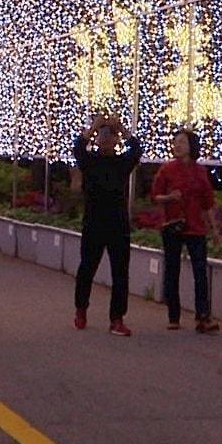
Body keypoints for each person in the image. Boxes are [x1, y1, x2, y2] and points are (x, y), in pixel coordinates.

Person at [72, 112, 143, 336]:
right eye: (102, 136)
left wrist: (119, 127)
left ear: (115, 140)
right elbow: (78, 147)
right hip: (93, 222)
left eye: (109, 136)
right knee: (87, 269)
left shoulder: (122, 163)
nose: (105, 139)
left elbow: (137, 149)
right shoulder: (89, 161)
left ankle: (117, 318)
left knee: (120, 272)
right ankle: (81, 308)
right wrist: (95, 126)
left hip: (118, 224)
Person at [150, 128, 219, 333]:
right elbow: (155, 196)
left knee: (200, 272)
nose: (177, 146)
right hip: (173, 226)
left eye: (182, 142)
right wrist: (169, 198)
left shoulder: (200, 171)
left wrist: (214, 230)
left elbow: (207, 203)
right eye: (175, 142)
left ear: (191, 146)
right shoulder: (167, 169)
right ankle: (173, 316)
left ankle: (203, 317)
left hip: (195, 228)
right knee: (172, 271)